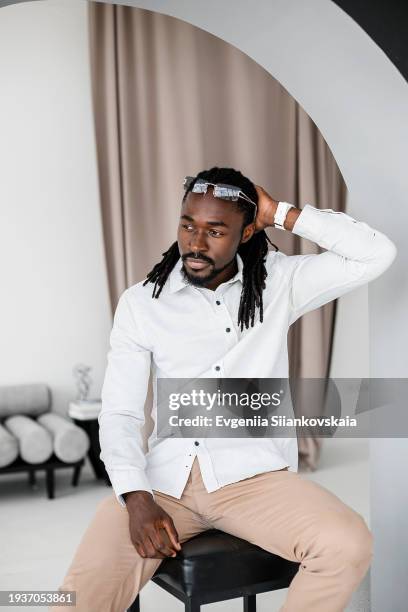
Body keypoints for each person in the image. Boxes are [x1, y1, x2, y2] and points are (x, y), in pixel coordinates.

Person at [52, 167, 396, 612]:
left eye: (215, 231)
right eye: (188, 225)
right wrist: (135, 497)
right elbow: (120, 413)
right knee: (73, 601)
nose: (195, 244)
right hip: (163, 484)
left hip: (253, 480)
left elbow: (375, 254)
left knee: (349, 544)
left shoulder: (279, 283)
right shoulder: (141, 303)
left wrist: (281, 212)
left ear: (248, 230)